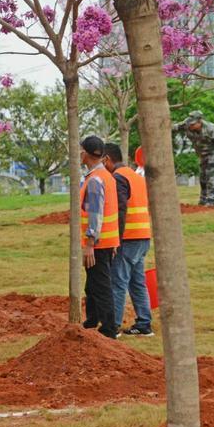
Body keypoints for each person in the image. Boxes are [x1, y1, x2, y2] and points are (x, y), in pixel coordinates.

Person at [104, 143, 154, 337]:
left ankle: (113, 326)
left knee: (118, 282)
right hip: (143, 236)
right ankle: (144, 324)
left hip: (128, 238)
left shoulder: (118, 178)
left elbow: (121, 209)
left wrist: (115, 239)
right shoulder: (136, 177)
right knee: (137, 282)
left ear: (107, 159)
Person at [79, 136, 120, 339]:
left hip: (98, 243)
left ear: (86, 153)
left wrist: (89, 243)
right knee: (93, 284)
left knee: (100, 286)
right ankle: (92, 320)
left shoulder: (95, 180)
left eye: (80, 150)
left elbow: (96, 214)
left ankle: (109, 329)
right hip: (107, 241)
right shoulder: (107, 177)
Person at [173, 111, 214, 207]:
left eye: (193, 124)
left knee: (211, 177)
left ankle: (211, 201)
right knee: (203, 178)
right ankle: (203, 201)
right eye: (189, 123)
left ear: (200, 122)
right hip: (202, 155)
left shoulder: (210, 129)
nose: (190, 126)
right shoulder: (186, 124)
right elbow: (175, 127)